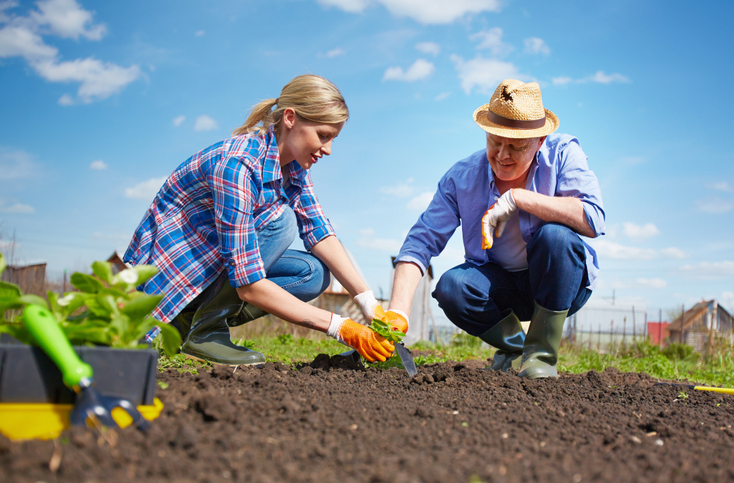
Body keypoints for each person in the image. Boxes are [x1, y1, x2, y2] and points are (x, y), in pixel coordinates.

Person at [124, 74, 398, 366]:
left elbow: (319, 231)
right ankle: (203, 330)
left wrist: (369, 303)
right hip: (177, 277)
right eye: (323, 135)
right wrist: (340, 327)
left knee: (314, 272)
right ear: (290, 118)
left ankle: (191, 323)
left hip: (216, 267)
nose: (328, 149)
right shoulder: (238, 165)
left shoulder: (292, 169)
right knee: (282, 223)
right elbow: (248, 284)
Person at [388, 79, 605, 379]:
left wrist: (520, 198)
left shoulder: (563, 154)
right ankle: (518, 346)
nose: (502, 155)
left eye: (516, 147)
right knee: (453, 287)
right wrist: (397, 312)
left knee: (556, 237)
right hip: (500, 289)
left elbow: (592, 219)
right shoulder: (461, 178)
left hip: (559, 283)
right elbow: (420, 242)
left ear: (540, 142)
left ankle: (541, 357)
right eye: (494, 142)